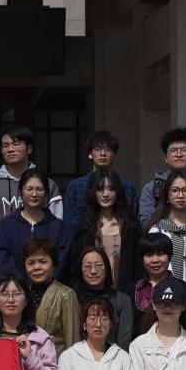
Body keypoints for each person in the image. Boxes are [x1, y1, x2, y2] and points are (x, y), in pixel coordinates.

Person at [60, 169, 139, 298]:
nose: (105, 194)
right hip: (90, 297)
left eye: (111, 189)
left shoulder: (130, 226)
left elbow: (137, 267)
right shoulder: (84, 228)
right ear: (92, 192)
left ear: (118, 192)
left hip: (124, 295)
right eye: (100, 189)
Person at [0, 169, 65, 279]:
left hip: (51, 287)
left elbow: (62, 261)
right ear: (20, 192)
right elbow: (1, 258)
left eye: (39, 189)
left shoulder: (59, 227)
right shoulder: (6, 225)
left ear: (46, 193)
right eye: (29, 189)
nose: (34, 194)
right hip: (15, 287)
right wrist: (16, 284)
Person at [0, 124, 61, 224]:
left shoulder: (47, 184)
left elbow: (57, 223)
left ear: (29, 149)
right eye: (5, 145)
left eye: (16, 144)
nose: (10, 149)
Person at [147, 170, 186, 292]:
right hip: (165, 295)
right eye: (175, 190)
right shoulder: (157, 230)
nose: (181, 195)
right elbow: (155, 267)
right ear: (167, 196)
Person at [21, 238, 80, 355]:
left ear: (54, 264)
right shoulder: (21, 293)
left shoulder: (66, 295)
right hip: (23, 361)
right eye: (31, 263)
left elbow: (72, 340)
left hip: (54, 361)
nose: (36, 267)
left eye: (43, 262)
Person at [68, 246, 131, 350]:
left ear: (106, 268)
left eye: (98, 265)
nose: (93, 271)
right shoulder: (72, 299)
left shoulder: (122, 300)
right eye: (87, 266)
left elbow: (124, 340)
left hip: (115, 357)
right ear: (80, 270)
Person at [61, 129, 130, 225]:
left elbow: (132, 222)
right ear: (90, 154)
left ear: (114, 155)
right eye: (97, 149)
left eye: (108, 149)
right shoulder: (75, 187)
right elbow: (70, 223)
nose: (103, 154)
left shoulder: (127, 187)